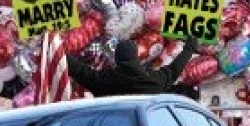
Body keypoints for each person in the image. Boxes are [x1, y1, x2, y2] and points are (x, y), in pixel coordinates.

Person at [66, 36, 198, 97]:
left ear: (117, 58)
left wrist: (57, 48)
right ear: (136, 57)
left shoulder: (102, 82)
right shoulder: (153, 82)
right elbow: (174, 69)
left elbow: (78, 69)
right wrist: (190, 46)